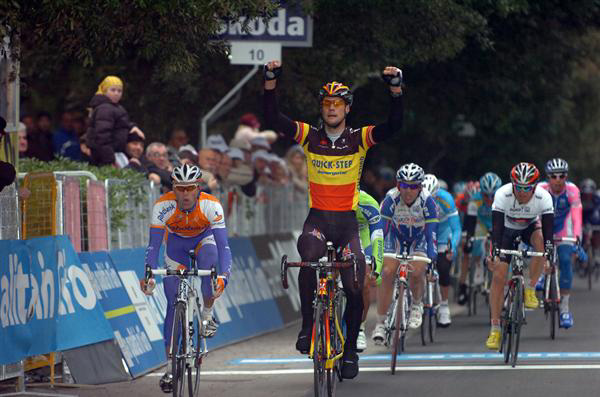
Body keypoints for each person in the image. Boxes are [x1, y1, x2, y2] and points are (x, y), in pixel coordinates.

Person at [263, 60, 403, 379]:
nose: (331, 109)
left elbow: (394, 126)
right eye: (326, 104)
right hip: (318, 221)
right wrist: (270, 80)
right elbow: (273, 118)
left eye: (337, 104)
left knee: (355, 286)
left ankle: (351, 348)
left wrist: (395, 90)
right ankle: (308, 327)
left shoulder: (359, 138)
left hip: (346, 224)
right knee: (309, 256)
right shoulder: (310, 136)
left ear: (347, 109)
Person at [140, 164, 231, 393]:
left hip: (204, 241)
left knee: (209, 275)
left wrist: (223, 277)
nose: (185, 194)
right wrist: (149, 275)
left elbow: (223, 246)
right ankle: (171, 366)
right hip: (176, 247)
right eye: (180, 189)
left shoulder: (211, 205)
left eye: (190, 188)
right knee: (172, 302)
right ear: (174, 188)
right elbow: (153, 246)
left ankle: (207, 315)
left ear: (198, 187)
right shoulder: (163, 205)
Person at [486, 162, 554, 350]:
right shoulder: (502, 194)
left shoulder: (544, 197)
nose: (522, 192)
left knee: (541, 241)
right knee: (499, 277)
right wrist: (494, 254)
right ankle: (495, 329)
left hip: (530, 228)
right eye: (519, 187)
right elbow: (496, 230)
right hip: (506, 230)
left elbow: (549, 233)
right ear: (512, 184)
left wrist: (549, 256)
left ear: (535, 187)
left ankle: (531, 288)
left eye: (527, 188)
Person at [372, 164, 438, 343]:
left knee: (417, 271)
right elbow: (382, 230)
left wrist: (431, 258)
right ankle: (380, 322)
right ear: (398, 185)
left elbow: (431, 232)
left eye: (413, 186)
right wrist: (375, 254)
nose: (408, 190)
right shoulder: (390, 199)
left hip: (419, 237)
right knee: (386, 272)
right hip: (395, 237)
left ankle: (417, 304)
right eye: (404, 186)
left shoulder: (428, 202)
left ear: (420, 187)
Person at [538, 158, 582, 328]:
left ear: (566, 176)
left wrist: (577, 237)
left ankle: (564, 308)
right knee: (540, 246)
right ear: (548, 177)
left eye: (561, 176)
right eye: (553, 176)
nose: (558, 180)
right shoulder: (540, 190)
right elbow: (535, 215)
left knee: (565, 260)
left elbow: (577, 216)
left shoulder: (572, 190)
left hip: (563, 227)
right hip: (543, 224)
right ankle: (542, 274)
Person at [422, 173, 461, 327]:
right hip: (424, 233)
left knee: (444, 267)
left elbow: (456, 227)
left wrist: (453, 247)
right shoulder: (416, 199)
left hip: (443, 235)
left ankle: (444, 306)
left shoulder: (446, 199)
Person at [459, 172, 502, 304]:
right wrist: (470, 239)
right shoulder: (475, 200)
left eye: (492, 195)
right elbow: (471, 223)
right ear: (481, 192)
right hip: (480, 223)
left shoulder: (503, 199)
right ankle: (476, 270)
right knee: (473, 245)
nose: (489, 199)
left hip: (496, 224)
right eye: (486, 195)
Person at [87, 75, 145, 166]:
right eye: (113, 90)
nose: (116, 93)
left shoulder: (114, 107)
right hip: (106, 156)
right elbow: (102, 136)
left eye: (119, 91)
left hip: (115, 153)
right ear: (105, 91)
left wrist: (133, 126)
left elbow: (121, 122)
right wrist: (110, 160)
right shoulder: (105, 109)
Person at [355, 190, 384, 352]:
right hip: (340, 236)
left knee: (365, 281)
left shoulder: (368, 202)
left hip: (363, 236)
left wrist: (377, 268)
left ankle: (360, 327)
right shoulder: (332, 196)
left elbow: (377, 238)